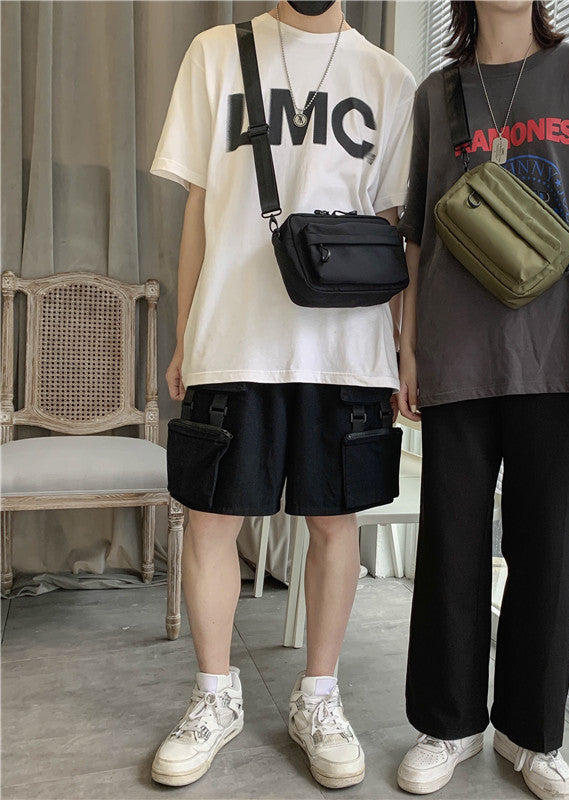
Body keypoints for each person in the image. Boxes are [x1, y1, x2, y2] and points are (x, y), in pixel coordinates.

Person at [148, 0, 414, 789]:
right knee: (211, 519)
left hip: (346, 347)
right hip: (235, 334)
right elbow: (199, 207)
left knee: (335, 524)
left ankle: (319, 697)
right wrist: (185, 334)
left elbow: (393, 228)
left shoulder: (388, 78)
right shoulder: (215, 53)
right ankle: (214, 694)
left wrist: (403, 346)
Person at [395, 1, 569, 797]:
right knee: (452, 548)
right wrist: (407, 347)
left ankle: (530, 735)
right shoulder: (437, 94)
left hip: (560, 349)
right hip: (456, 351)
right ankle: (448, 726)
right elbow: (417, 235)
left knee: (546, 550)